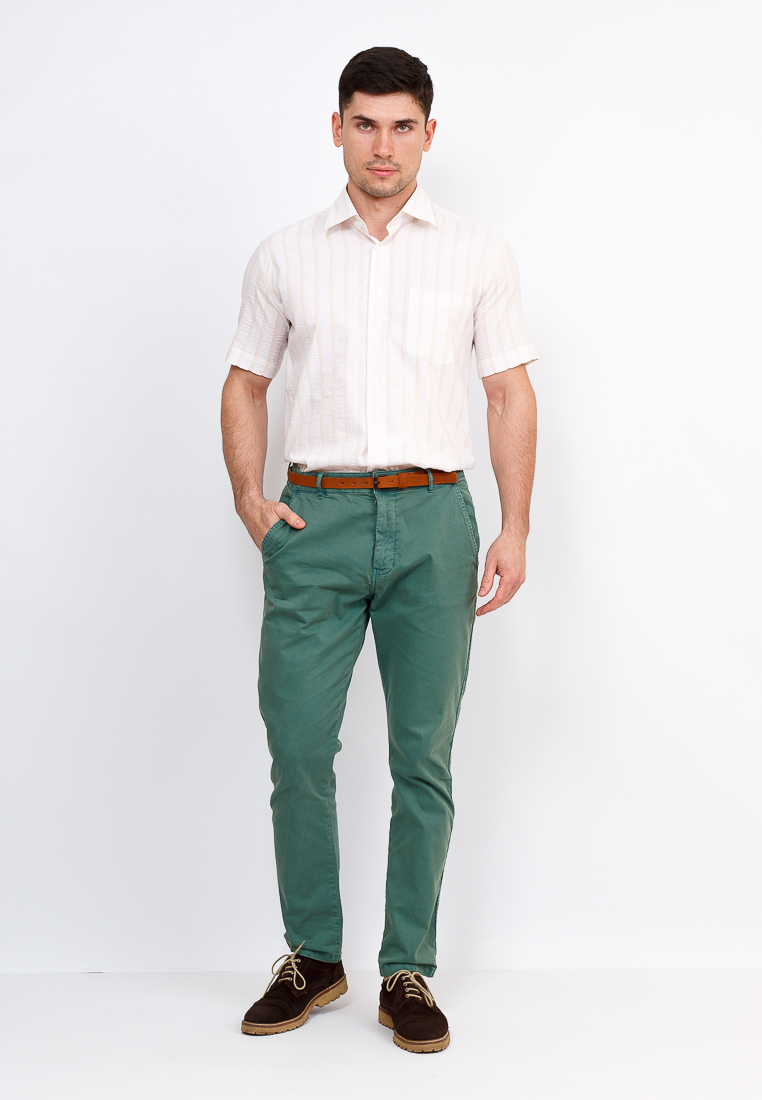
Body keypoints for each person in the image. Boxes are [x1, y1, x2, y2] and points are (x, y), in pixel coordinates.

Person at [220, 46, 538, 1054]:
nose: (383, 145)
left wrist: (515, 525)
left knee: (422, 755)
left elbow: (507, 390)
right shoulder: (284, 254)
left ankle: (408, 966)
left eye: (402, 126)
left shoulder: (477, 253)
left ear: (429, 134)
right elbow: (245, 380)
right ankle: (314, 956)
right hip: (313, 520)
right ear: (337, 129)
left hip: (435, 519)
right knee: (298, 746)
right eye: (365, 123)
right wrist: (249, 497)